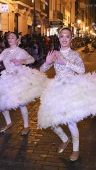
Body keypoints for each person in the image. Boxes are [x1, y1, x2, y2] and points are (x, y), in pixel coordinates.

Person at [38, 27, 85, 161]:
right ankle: (65, 139)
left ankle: (76, 149)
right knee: (51, 121)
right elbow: (41, 70)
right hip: (56, 89)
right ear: (58, 38)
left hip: (70, 89)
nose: (64, 39)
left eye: (67, 36)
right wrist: (47, 63)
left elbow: (81, 70)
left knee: (71, 122)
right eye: (62, 36)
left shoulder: (75, 55)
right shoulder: (54, 54)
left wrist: (65, 62)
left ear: (71, 39)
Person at [0, 32, 46, 135]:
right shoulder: (5, 51)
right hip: (6, 79)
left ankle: (26, 126)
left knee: (21, 103)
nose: (10, 39)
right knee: (2, 102)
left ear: (17, 40)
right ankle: (8, 123)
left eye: (13, 37)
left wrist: (21, 62)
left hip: (18, 78)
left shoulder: (20, 51)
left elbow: (32, 59)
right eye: (9, 37)